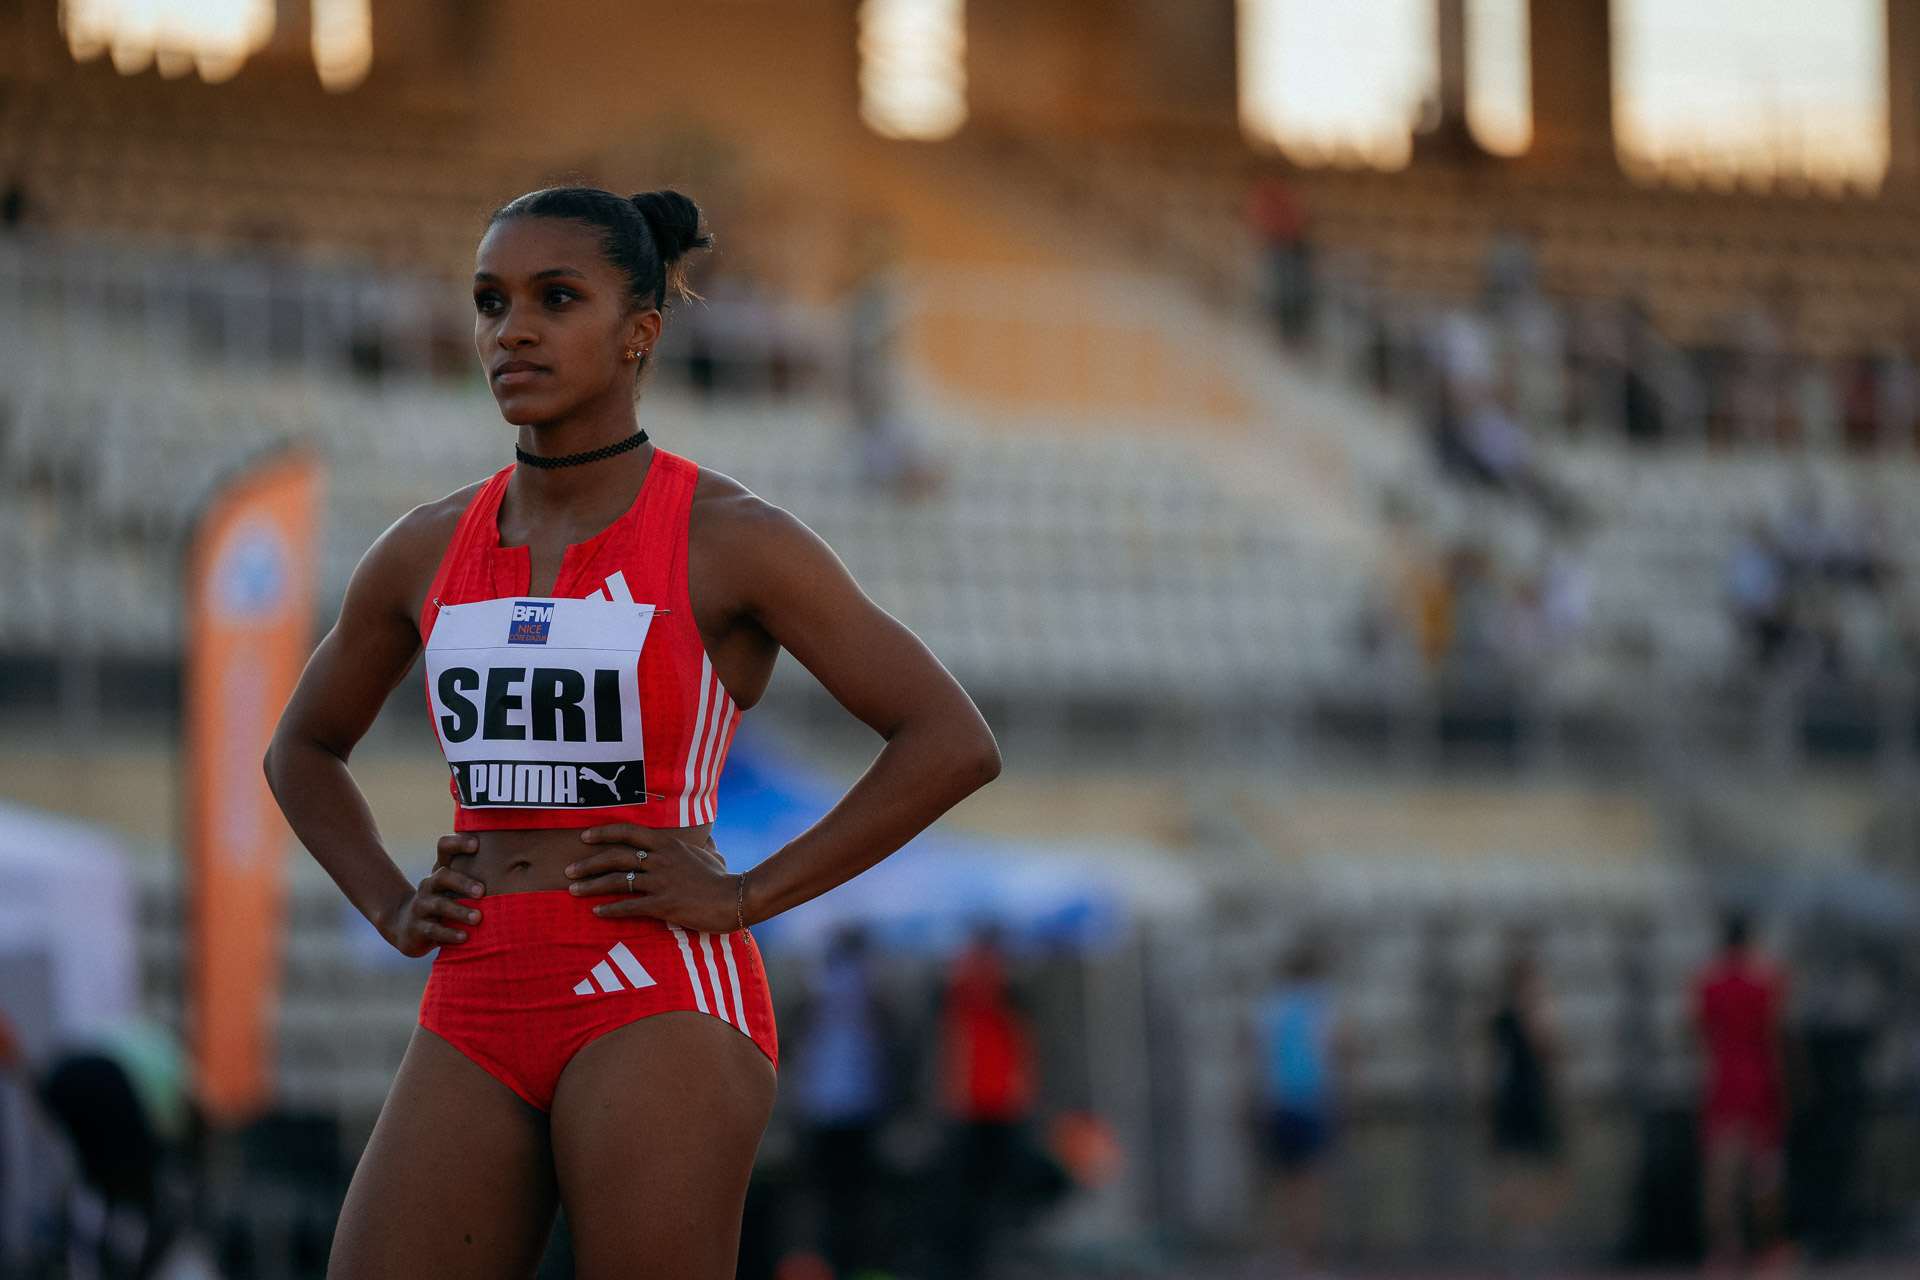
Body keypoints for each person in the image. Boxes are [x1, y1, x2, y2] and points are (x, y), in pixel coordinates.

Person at [264, 186, 1001, 1280]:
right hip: (475, 988)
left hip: (656, 981)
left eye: (556, 298)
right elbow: (301, 748)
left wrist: (746, 894)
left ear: (639, 332)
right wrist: (387, 900)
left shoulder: (732, 537)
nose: (512, 330)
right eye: (490, 301)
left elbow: (950, 739)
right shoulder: (423, 547)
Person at [790, 926, 894, 1277]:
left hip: (835, 1102)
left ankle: (839, 1263)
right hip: (844, 1101)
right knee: (847, 1195)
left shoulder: (824, 983)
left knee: (837, 1195)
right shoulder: (858, 983)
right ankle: (843, 1263)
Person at [935, 929, 1038, 1280]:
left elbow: (1019, 1046)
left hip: (997, 1106)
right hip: (974, 1107)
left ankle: (990, 1258)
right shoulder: (959, 994)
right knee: (975, 1195)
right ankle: (977, 1260)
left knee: (990, 1194)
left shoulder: (1006, 996)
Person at [1693, 914, 1792, 1276]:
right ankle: (1766, 1246)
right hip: (1761, 1079)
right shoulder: (1766, 981)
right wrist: (1791, 1082)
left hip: (1724, 1079)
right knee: (1765, 1170)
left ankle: (1723, 1248)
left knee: (1721, 1170)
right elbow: (1778, 1034)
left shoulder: (1709, 983)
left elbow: (1698, 1032)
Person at [1249, 944, 1345, 1278]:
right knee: (1310, 1185)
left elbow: (1257, 1055)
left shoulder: (1271, 1005)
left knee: (1286, 1185)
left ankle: (1292, 1254)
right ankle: (1305, 1257)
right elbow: (1338, 1047)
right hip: (1310, 1102)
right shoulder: (1321, 1002)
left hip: (1280, 1102)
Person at [1486, 943, 1568, 1273]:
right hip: (1525, 1097)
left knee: (1525, 1169)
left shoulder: (1505, 1016)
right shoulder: (1519, 1015)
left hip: (1518, 1096)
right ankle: (1524, 1235)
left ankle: (1525, 1233)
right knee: (1523, 1170)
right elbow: (1547, 1048)